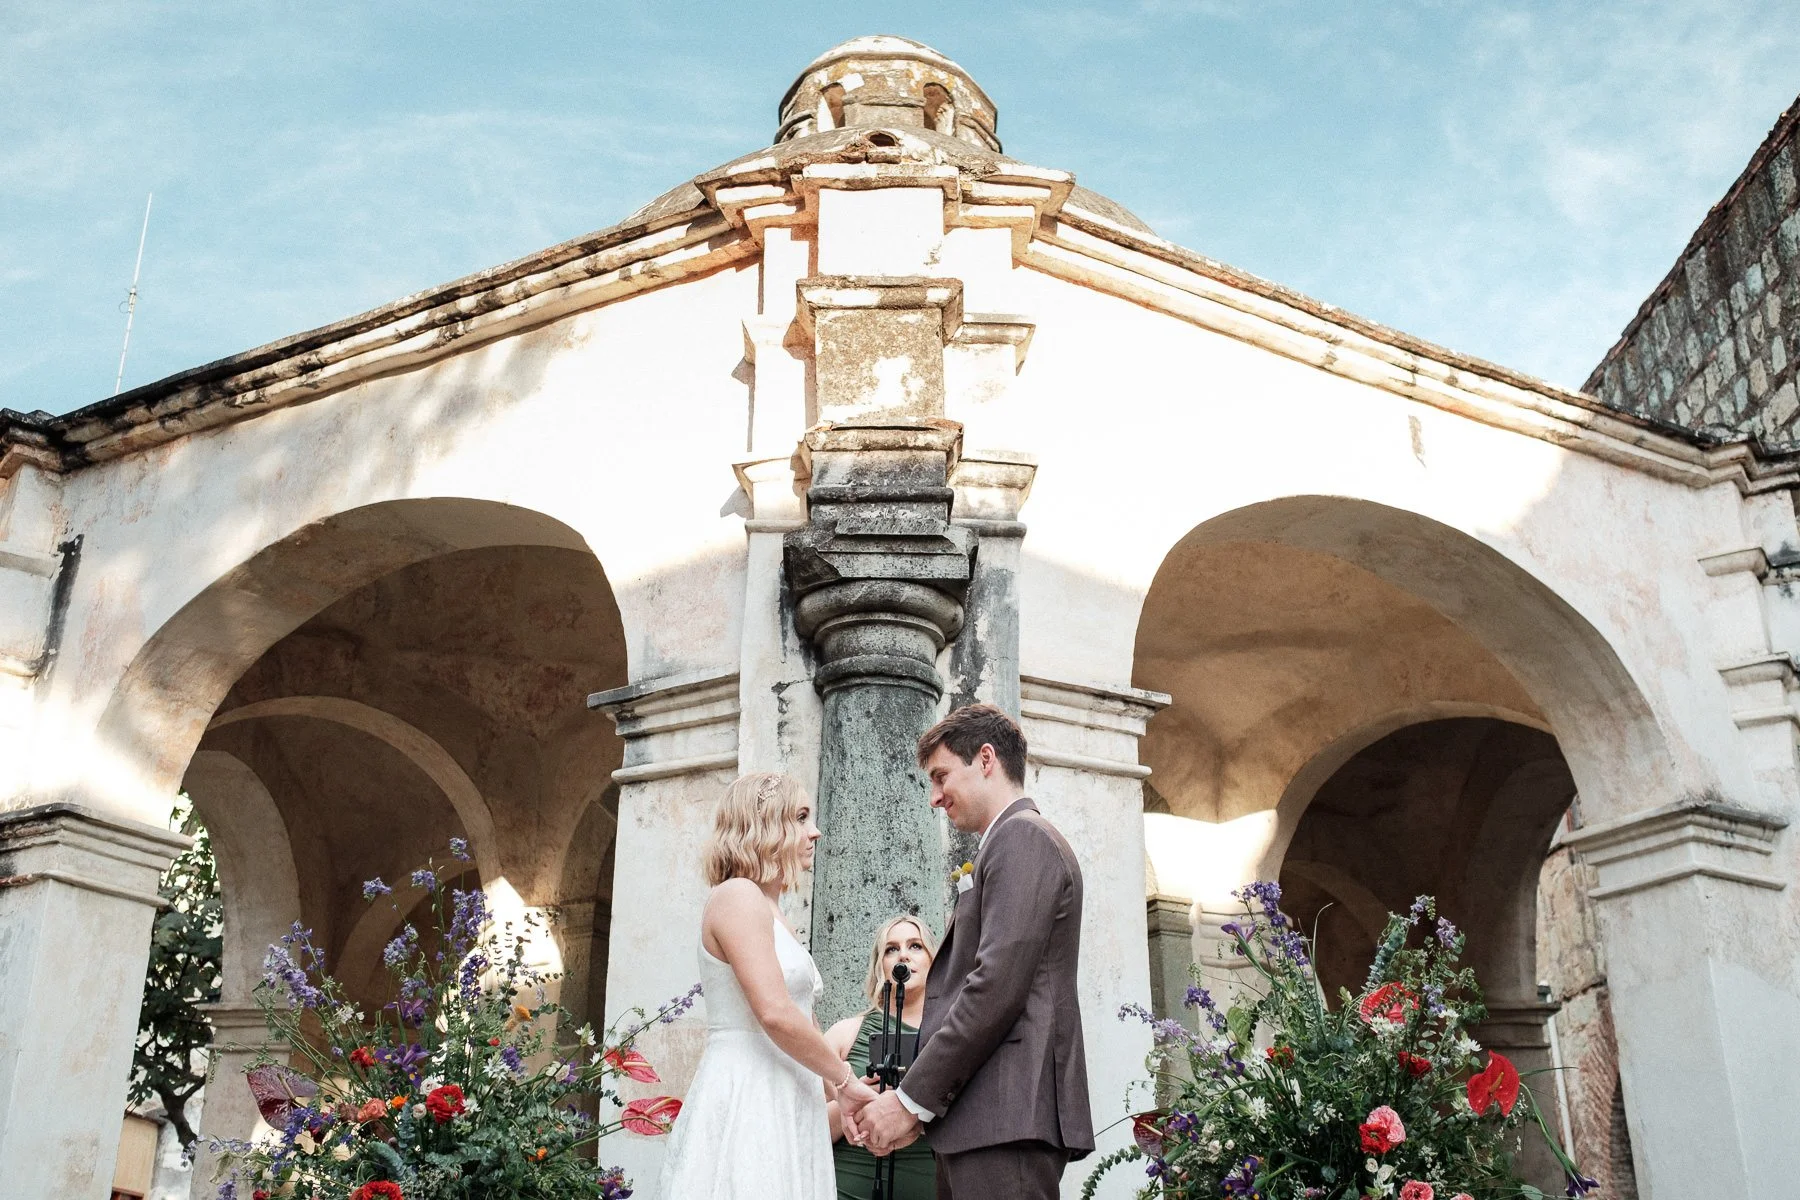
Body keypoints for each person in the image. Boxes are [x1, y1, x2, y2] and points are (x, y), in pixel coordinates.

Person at [842, 704, 1094, 1200]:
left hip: (1006, 1116)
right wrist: (923, 1110)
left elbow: (993, 988)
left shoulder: (1024, 838)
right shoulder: (1005, 843)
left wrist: (910, 1102)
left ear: (985, 759)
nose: (935, 797)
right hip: (982, 1118)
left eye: (940, 777)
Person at [658, 772, 880, 1199]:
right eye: (799, 817)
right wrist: (847, 1079)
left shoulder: (773, 911)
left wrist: (843, 1097)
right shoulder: (736, 895)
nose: (814, 831)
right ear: (763, 826)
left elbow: (807, 1025)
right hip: (751, 1091)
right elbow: (776, 1013)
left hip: (790, 1095)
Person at [824, 915, 940, 1200]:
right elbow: (803, 1128)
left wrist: (909, 1110)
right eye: (891, 949)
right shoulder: (843, 1035)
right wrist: (853, 1101)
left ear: (933, 961)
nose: (903, 954)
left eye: (915, 946)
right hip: (848, 1186)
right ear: (881, 966)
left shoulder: (954, 1039)